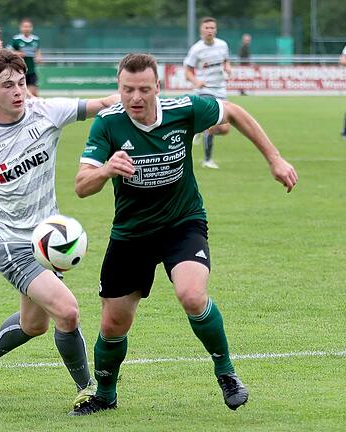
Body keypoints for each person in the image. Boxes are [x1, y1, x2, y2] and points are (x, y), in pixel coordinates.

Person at [69, 53, 298, 415]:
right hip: (132, 233)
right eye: (127, 90)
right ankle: (106, 396)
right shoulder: (108, 124)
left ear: (158, 86)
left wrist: (275, 158)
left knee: (192, 295)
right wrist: (107, 170)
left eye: (144, 89)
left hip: (183, 222)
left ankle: (226, 373)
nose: (136, 98)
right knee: (113, 324)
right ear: (119, 88)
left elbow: (234, 112)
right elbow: (81, 186)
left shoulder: (185, 109)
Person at [0, 49, 118, 408]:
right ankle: (90, 390)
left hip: (47, 243)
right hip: (10, 244)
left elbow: (102, 103)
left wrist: (134, 96)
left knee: (34, 324)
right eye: (8, 85)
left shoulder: (46, 112)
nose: (18, 90)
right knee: (67, 311)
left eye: (21, 82)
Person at [184, 17, 231, 169]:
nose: (209, 31)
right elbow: (188, 71)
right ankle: (207, 160)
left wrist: (228, 68)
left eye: (212, 28)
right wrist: (195, 81)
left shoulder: (222, 45)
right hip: (205, 91)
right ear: (201, 31)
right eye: (207, 28)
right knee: (211, 124)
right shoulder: (196, 49)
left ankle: (200, 129)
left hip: (220, 89)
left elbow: (226, 61)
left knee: (224, 129)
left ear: (215, 30)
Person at [8, 18, 42, 96]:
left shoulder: (35, 39)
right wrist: (17, 53)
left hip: (31, 70)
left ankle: (34, 107)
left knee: (34, 93)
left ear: (32, 28)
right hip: (19, 70)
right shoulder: (16, 39)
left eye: (29, 26)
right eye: (25, 26)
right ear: (21, 28)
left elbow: (38, 51)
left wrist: (39, 56)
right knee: (22, 93)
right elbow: (8, 51)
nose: (27, 28)